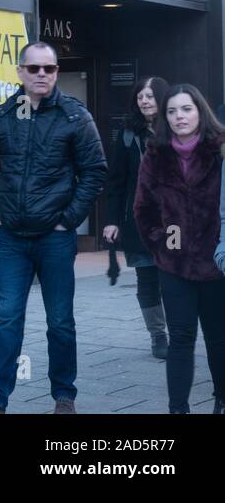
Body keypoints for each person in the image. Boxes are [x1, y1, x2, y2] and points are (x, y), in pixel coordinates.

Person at [0, 41, 107, 415]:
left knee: (60, 321)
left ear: (56, 73)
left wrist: (67, 219)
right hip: (11, 238)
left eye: (50, 69)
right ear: (20, 72)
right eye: (34, 68)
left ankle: (64, 397)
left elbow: (94, 172)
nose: (42, 74)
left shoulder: (75, 116)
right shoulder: (3, 116)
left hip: (54, 238)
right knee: (7, 317)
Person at [133, 83, 225, 414]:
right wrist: (163, 242)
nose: (178, 116)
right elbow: (143, 209)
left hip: (217, 263)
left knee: (218, 339)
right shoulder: (156, 153)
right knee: (181, 338)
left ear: (200, 111)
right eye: (171, 111)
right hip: (175, 265)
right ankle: (178, 409)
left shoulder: (219, 150)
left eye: (186, 109)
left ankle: (221, 400)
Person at [103, 76, 170, 359]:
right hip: (140, 220)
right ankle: (158, 335)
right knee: (147, 278)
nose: (144, 100)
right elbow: (117, 181)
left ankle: (180, 331)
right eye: (140, 96)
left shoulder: (179, 129)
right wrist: (112, 220)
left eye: (150, 96)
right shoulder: (128, 135)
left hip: (175, 222)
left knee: (174, 277)